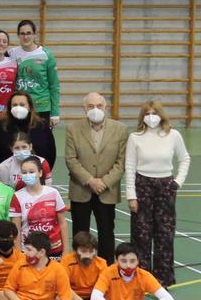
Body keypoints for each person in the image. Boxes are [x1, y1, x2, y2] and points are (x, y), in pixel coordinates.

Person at [123, 102, 188, 282]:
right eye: (147, 113)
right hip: (142, 185)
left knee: (165, 234)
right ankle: (142, 277)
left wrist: (177, 182)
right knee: (141, 235)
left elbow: (185, 159)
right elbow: (130, 167)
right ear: (142, 116)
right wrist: (131, 195)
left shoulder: (173, 135)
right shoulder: (135, 137)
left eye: (154, 113)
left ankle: (163, 278)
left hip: (166, 186)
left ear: (161, 115)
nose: (151, 116)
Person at [65, 91, 123, 260]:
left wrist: (103, 182)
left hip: (107, 191)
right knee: (80, 233)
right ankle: (78, 268)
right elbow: (70, 159)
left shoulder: (120, 129)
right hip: (80, 190)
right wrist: (90, 181)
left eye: (99, 106)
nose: (95, 109)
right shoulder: (72, 129)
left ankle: (106, 270)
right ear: (84, 108)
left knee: (106, 233)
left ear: (105, 107)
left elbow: (121, 162)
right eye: (90, 106)